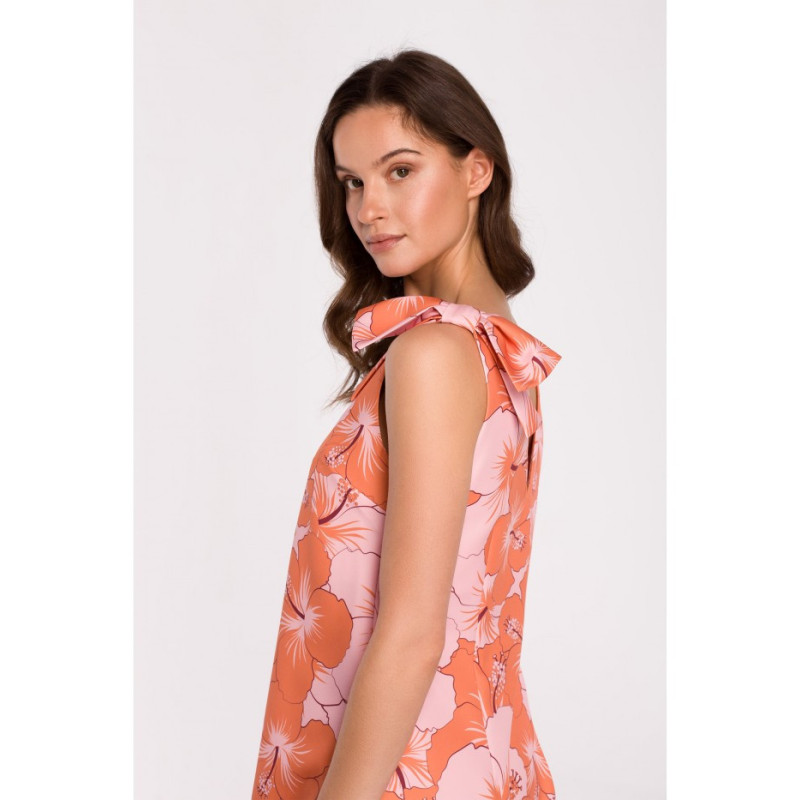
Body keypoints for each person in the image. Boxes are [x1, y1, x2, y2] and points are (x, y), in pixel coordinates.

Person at [251, 48, 561, 800]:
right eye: (352, 182)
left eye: (399, 171)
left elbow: (416, 635)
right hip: (478, 754)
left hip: (397, 775)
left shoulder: (435, 352)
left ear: (475, 170)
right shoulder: (498, 348)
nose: (367, 209)